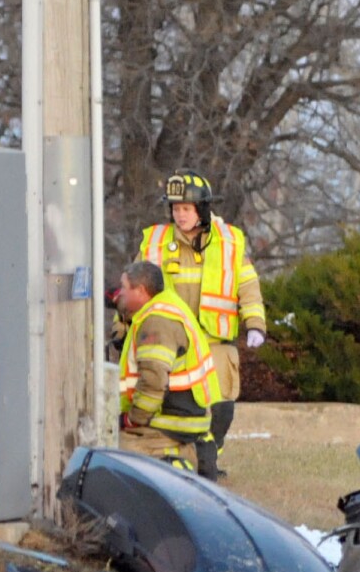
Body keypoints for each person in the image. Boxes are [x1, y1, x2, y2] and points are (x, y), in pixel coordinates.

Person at [136, 170, 265, 480]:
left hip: (214, 343)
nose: (179, 216)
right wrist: (120, 328)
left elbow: (247, 286)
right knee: (175, 410)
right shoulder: (155, 242)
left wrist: (255, 324)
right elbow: (135, 288)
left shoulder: (229, 242)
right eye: (176, 209)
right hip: (173, 345)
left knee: (220, 410)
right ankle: (186, 466)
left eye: (186, 209)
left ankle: (207, 461)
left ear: (202, 210)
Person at [113, 260, 223, 474]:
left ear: (141, 291)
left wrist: (132, 419)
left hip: (168, 421)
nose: (120, 294)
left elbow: (153, 381)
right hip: (184, 417)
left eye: (124, 288)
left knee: (114, 455)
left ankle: (173, 464)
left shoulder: (156, 321)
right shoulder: (168, 306)